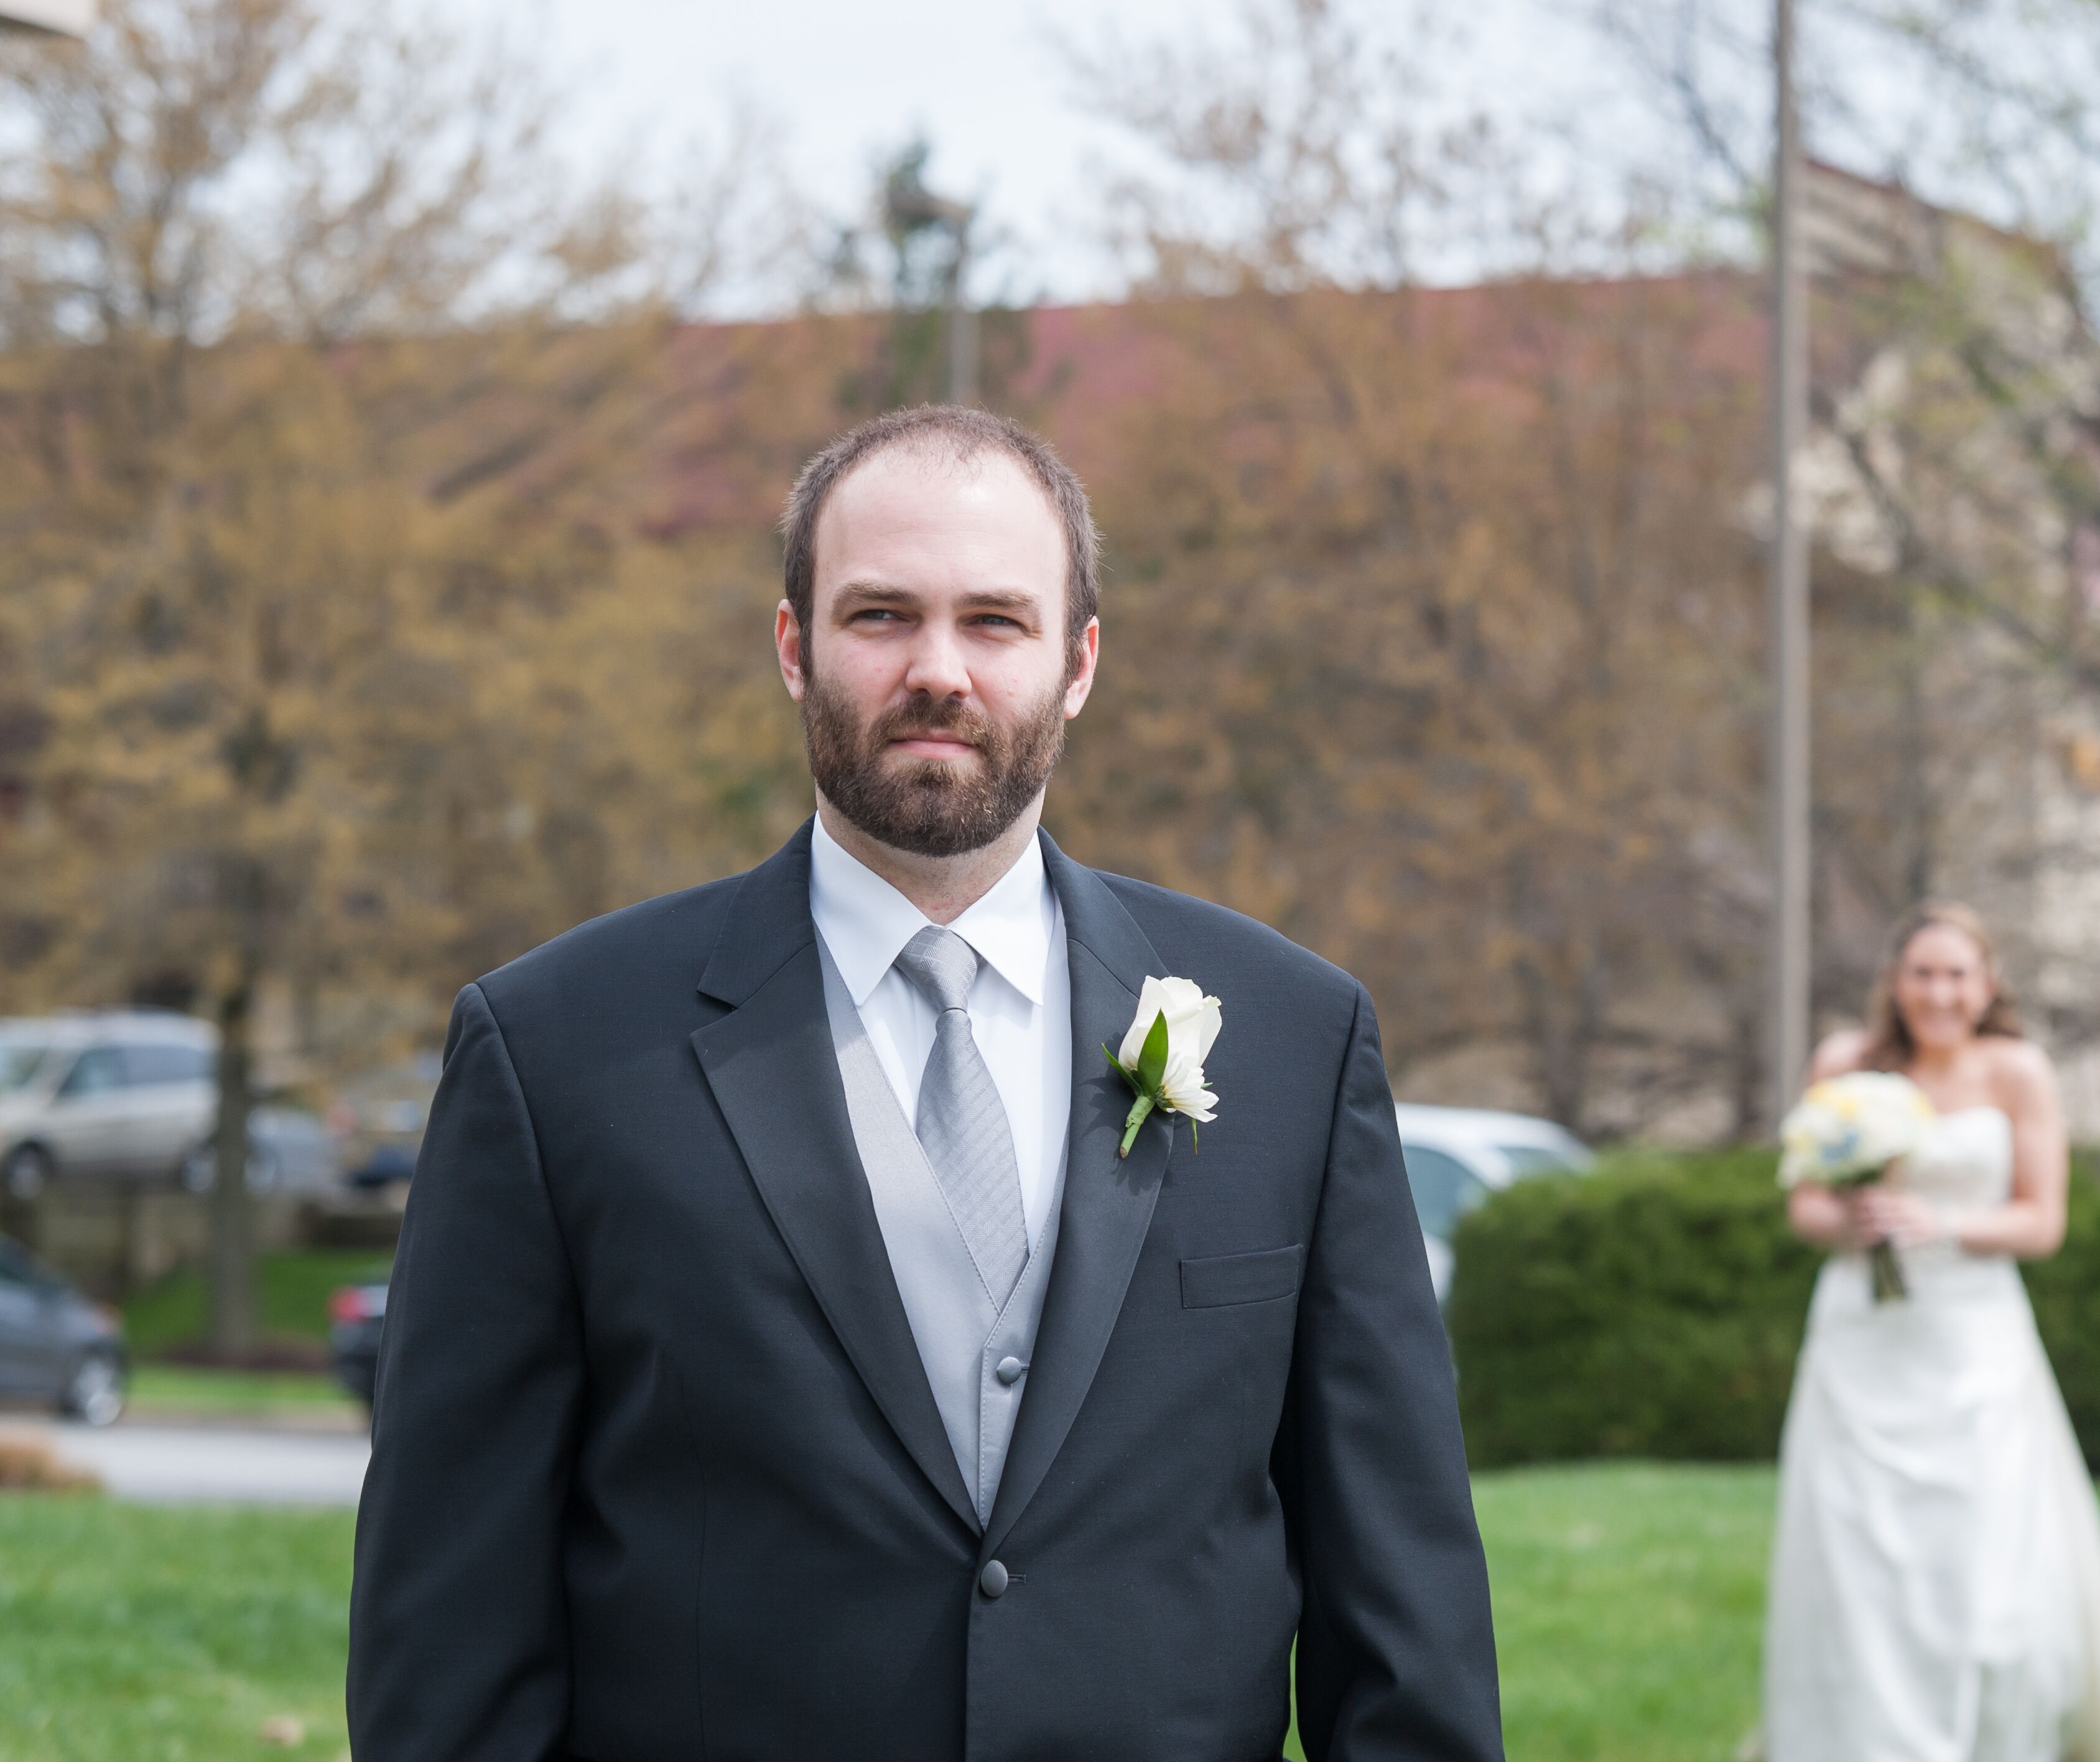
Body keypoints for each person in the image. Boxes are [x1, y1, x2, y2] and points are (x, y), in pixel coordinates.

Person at [348, 405, 1505, 1762]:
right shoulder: (553, 1052)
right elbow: (449, 1631)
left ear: (1077, 664)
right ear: (794, 647)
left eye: (995, 623)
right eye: (881, 615)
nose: (937, 672)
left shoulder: (1298, 1040)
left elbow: (1404, 1618)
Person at [1766, 903, 2100, 1762]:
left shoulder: (2017, 1072)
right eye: (1923, 973)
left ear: (1988, 986)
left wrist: (1942, 1224)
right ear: (1896, 982)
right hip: (1861, 1340)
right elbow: (1803, 1205)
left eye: (1958, 974)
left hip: (1973, 1342)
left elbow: (2042, 1222)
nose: (1940, 993)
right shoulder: (1844, 1064)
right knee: (1858, 1563)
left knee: (1985, 1564)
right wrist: (1856, 1220)